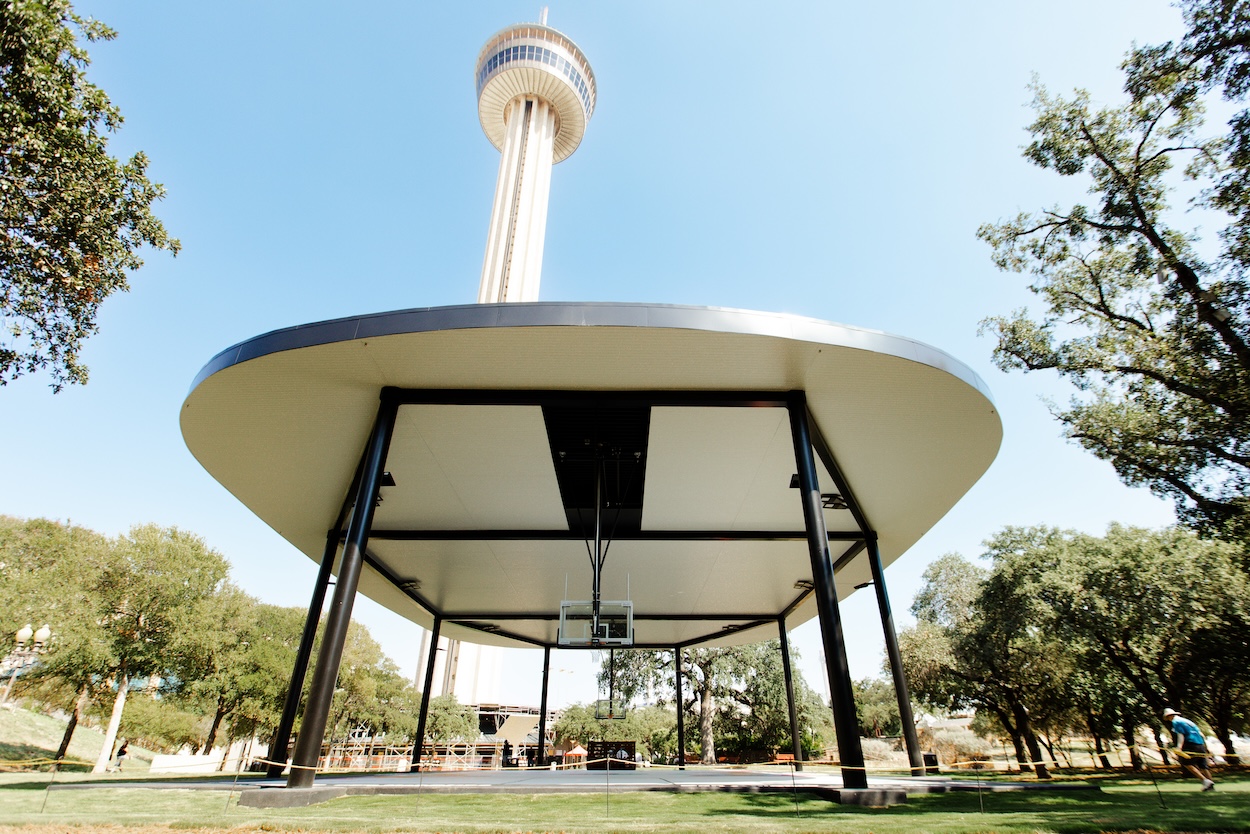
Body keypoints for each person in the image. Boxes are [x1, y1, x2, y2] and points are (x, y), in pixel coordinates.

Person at [1163, 708, 1215, 791]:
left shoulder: (1176, 722)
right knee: (1203, 766)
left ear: (1169, 716)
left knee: (1186, 763)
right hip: (1200, 743)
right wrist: (1204, 746)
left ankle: (1205, 781)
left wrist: (1179, 747)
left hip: (1191, 744)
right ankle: (1211, 785)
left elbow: (1181, 735)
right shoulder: (1188, 721)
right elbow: (1200, 733)